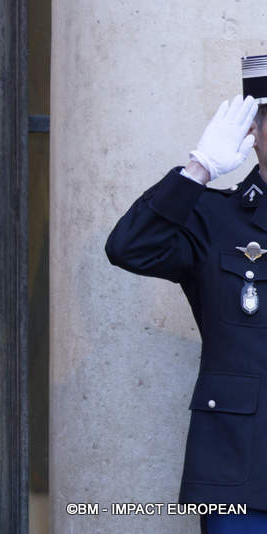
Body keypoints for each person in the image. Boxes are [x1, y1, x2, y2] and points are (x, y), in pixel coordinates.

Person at [106, 55, 267, 533]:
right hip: (243, 478)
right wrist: (198, 170)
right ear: (255, 130)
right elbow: (128, 248)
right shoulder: (215, 219)